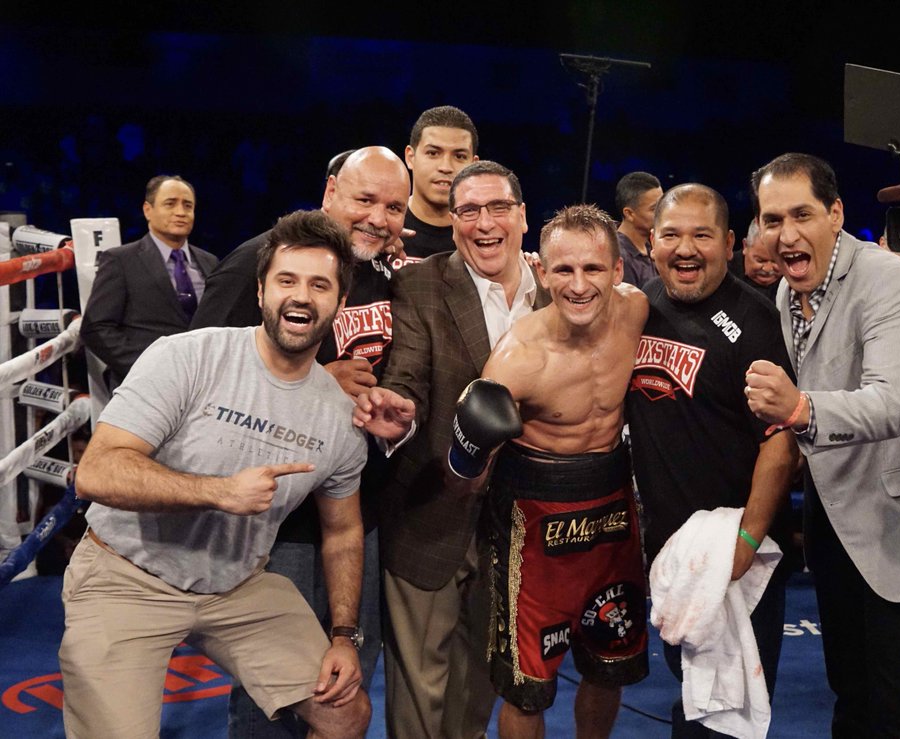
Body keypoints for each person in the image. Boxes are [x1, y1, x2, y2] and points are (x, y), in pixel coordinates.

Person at [59, 210, 380, 739]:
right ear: (261, 292)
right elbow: (96, 471)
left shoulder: (339, 417)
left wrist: (345, 634)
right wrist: (217, 492)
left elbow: (343, 531)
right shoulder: (188, 357)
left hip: (236, 584)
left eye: (320, 285)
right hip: (127, 576)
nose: (301, 296)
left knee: (344, 712)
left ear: (340, 305)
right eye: (287, 281)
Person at [741, 153, 900, 737]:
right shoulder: (786, 294)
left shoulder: (888, 281)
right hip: (837, 522)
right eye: (772, 220)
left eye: (801, 214)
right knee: (851, 695)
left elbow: (891, 402)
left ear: (835, 214)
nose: (786, 233)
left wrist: (799, 409)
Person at [190, 146, 411, 738]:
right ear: (330, 191)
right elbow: (200, 381)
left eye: (393, 206)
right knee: (276, 695)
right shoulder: (257, 265)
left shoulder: (378, 272)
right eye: (365, 199)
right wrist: (312, 386)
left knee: (344, 688)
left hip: (353, 517)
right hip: (275, 522)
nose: (378, 217)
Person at [356, 160, 549, 739]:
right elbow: (409, 372)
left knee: (479, 684)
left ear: (521, 216)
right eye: (468, 211)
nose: (483, 223)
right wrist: (398, 407)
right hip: (431, 507)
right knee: (419, 694)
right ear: (452, 219)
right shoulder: (420, 283)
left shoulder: (558, 292)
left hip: (521, 524)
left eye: (497, 209)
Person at [442, 204, 649, 738]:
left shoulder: (636, 312)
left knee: (610, 662)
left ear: (618, 271)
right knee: (527, 684)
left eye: (593, 269)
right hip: (533, 521)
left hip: (612, 507)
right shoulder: (517, 359)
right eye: (563, 270)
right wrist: (466, 448)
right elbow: (461, 480)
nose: (579, 285)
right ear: (542, 271)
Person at [623, 182, 798, 735]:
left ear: (729, 243)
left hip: (733, 551)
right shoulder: (638, 307)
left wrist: (746, 539)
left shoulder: (755, 320)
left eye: (702, 235)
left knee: (728, 712)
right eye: (672, 234)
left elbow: (781, 438)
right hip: (666, 549)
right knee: (690, 690)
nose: (686, 248)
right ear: (651, 243)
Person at [81, 174, 217, 389]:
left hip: (202, 385)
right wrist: (146, 369)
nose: (181, 212)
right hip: (142, 386)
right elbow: (96, 327)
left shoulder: (209, 262)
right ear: (148, 210)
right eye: (170, 204)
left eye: (188, 205)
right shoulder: (120, 260)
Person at [403, 105, 480, 258]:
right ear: (410, 157)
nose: (445, 167)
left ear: (473, 165)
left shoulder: (485, 236)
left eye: (459, 156)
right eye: (433, 153)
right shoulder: (383, 228)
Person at [613, 171, 662, 288]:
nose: (662, 213)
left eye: (663, 205)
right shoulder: (618, 256)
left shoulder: (652, 247)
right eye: (654, 209)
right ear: (629, 214)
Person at [729, 219, 781, 301]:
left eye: (776, 261)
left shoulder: (794, 280)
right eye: (760, 261)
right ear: (745, 246)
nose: (768, 269)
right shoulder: (721, 272)